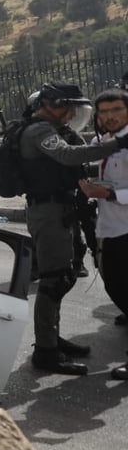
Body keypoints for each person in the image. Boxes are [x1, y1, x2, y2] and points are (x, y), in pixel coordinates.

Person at [19, 83, 128, 376]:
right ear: (52, 104)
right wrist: (117, 144)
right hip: (47, 211)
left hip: (61, 209)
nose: (72, 114)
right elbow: (69, 156)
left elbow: (76, 160)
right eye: (68, 108)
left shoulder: (53, 129)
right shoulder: (38, 131)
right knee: (54, 279)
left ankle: (52, 339)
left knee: (65, 275)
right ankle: (46, 351)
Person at [77, 88, 128, 381]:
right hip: (109, 228)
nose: (110, 116)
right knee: (114, 286)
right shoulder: (106, 142)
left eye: (116, 110)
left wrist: (107, 193)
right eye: (104, 111)